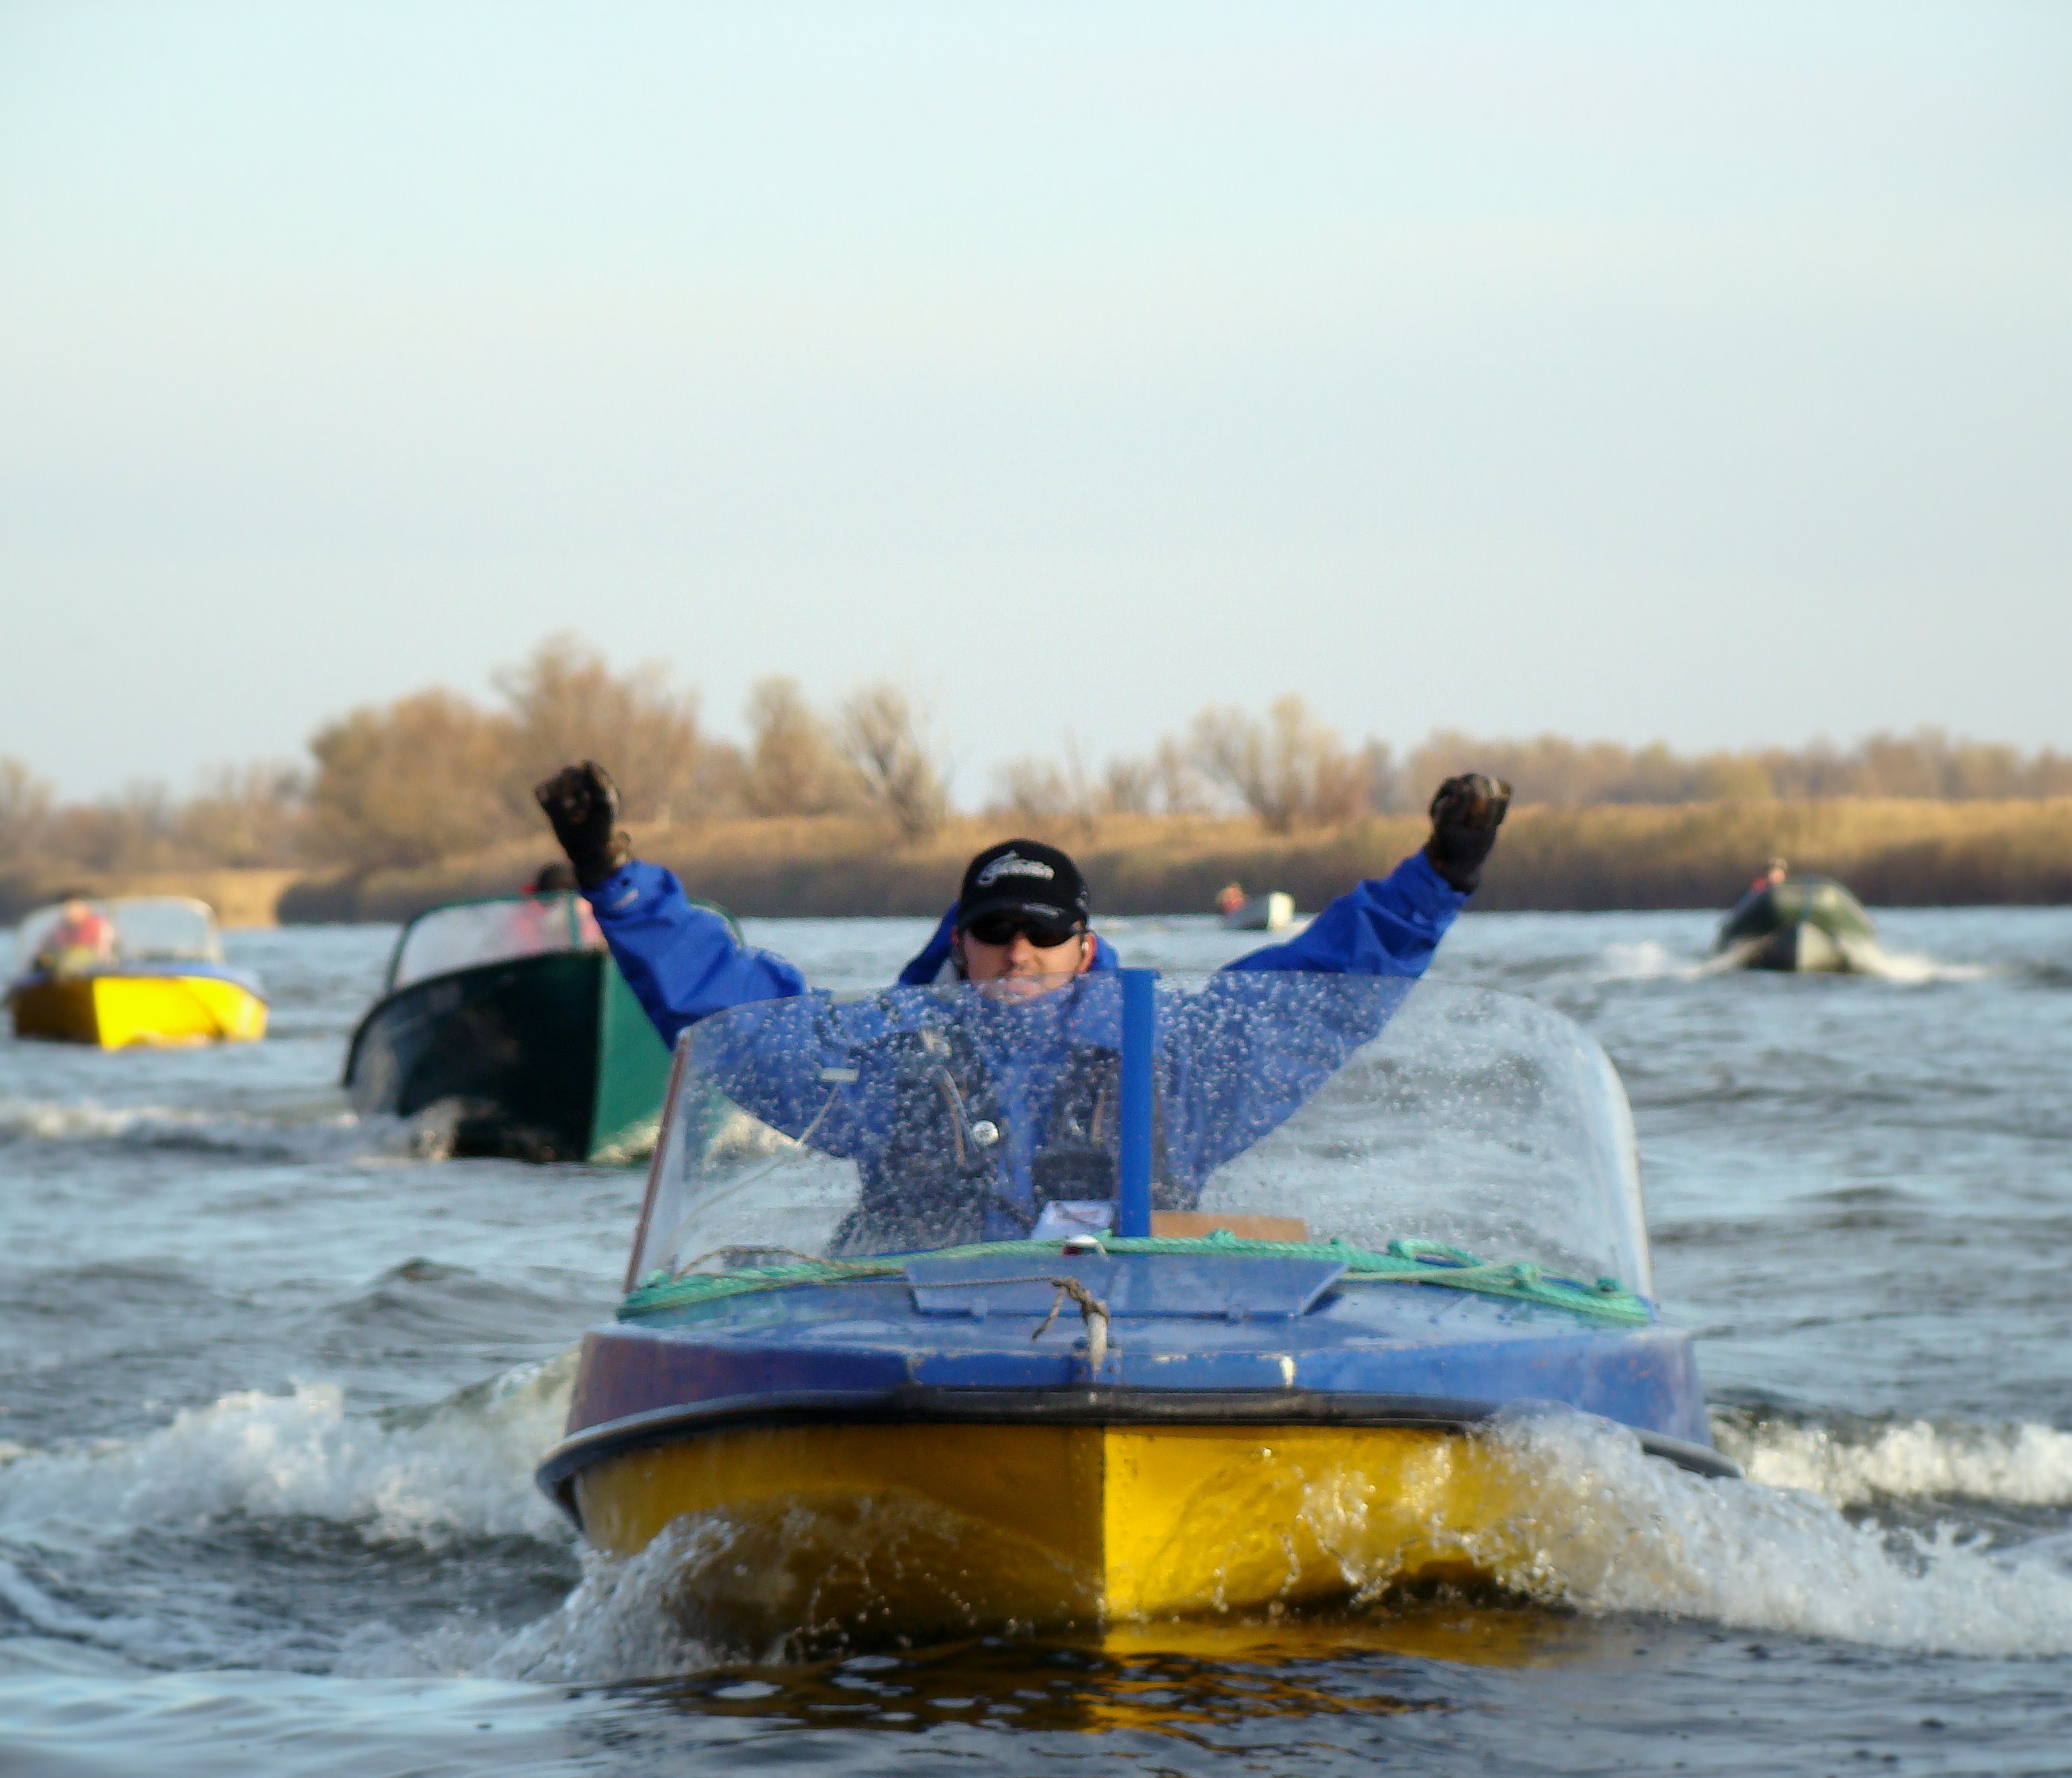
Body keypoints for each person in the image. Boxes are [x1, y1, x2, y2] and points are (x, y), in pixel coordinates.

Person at [536, 762, 1509, 1250]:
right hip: (920, 1352)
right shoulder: (890, 1057)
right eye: (994, 929)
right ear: (958, 946)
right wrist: (613, 882)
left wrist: (1442, 875)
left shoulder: (1172, 1059)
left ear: (1084, 947)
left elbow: (1320, 995)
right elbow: (734, 1018)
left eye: (1042, 931)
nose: (1018, 952)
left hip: (1139, 1351)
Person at [34, 892, 116, 976]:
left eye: (76, 906)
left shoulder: (101, 927)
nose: (71, 911)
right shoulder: (54, 931)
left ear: (86, 908)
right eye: (68, 906)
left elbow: (105, 955)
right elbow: (40, 955)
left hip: (92, 975)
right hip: (61, 977)